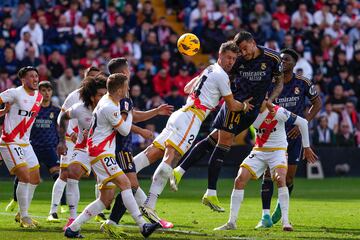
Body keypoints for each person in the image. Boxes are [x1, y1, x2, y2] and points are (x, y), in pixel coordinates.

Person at [171, 31, 284, 212]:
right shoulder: (237, 59)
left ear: (253, 43)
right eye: (240, 50)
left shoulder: (272, 57)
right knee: (224, 142)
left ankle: (180, 170)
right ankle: (210, 192)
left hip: (251, 111)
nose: (243, 53)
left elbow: (279, 82)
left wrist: (270, 99)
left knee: (215, 138)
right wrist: (198, 79)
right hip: (236, 105)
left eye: (245, 49)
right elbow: (217, 69)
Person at [140, 41, 249, 223]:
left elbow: (186, 89)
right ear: (220, 55)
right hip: (192, 117)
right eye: (229, 57)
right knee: (171, 156)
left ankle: (124, 177)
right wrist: (245, 106)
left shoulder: (209, 69)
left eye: (234, 59)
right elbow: (231, 105)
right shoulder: (221, 76)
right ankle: (149, 205)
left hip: (181, 113)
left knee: (152, 152)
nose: (231, 62)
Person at [64, 73, 159, 238]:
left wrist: (125, 114)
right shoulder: (109, 107)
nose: (128, 89)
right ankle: (142, 225)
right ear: (121, 89)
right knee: (125, 183)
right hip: (100, 153)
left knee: (105, 199)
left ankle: (73, 228)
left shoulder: (107, 102)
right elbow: (124, 129)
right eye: (127, 86)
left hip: (99, 152)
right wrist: (127, 112)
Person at [214, 100, 318, 232]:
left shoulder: (278, 111)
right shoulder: (250, 113)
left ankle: (285, 222)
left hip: (278, 150)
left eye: (261, 100)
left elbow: (302, 122)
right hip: (259, 151)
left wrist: (306, 147)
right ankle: (231, 222)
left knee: (281, 179)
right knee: (239, 180)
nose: (258, 104)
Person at [99, 58, 174, 237]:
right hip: (119, 147)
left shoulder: (119, 94)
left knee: (124, 188)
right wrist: (140, 131)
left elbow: (132, 116)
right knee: (130, 186)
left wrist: (155, 111)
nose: (131, 71)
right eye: (129, 69)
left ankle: (149, 219)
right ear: (124, 73)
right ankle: (116, 222)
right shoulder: (121, 96)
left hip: (118, 147)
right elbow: (122, 124)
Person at [256, 48, 322, 229]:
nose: (283, 61)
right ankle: (265, 216)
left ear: (294, 63)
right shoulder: (271, 82)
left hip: (294, 136)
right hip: (273, 135)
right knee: (269, 174)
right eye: (281, 59)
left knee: (289, 178)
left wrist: (304, 124)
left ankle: (280, 209)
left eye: (287, 59)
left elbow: (317, 103)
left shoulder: (302, 82)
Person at [49, 75, 107, 227]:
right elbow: (63, 118)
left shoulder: (109, 108)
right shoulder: (79, 108)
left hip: (106, 150)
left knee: (122, 187)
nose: (103, 97)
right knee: (71, 174)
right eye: (100, 94)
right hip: (83, 148)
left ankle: (141, 217)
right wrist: (62, 141)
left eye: (105, 94)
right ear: (91, 95)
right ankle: (73, 218)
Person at [5, 81, 67, 219]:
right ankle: (15, 201)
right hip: (32, 146)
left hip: (50, 147)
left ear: (52, 92)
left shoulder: (56, 110)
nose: (46, 93)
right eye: (43, 90)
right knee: (23, 175)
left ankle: (61, 205)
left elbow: (62, 127)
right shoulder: (34, 107)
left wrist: (61, 142)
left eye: (49, 90)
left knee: (58, 175)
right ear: (39, 92)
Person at [0, 66, 43, 228]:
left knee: (36, 178)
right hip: (10, 141)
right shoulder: (15, 93)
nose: (35, 79)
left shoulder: (38, 97)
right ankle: (25, 217)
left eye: (36, 76)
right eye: (31, 76)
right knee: (24, 177)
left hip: (25, 143)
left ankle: (20, 213)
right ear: (23, 79)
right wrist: (3, 112)